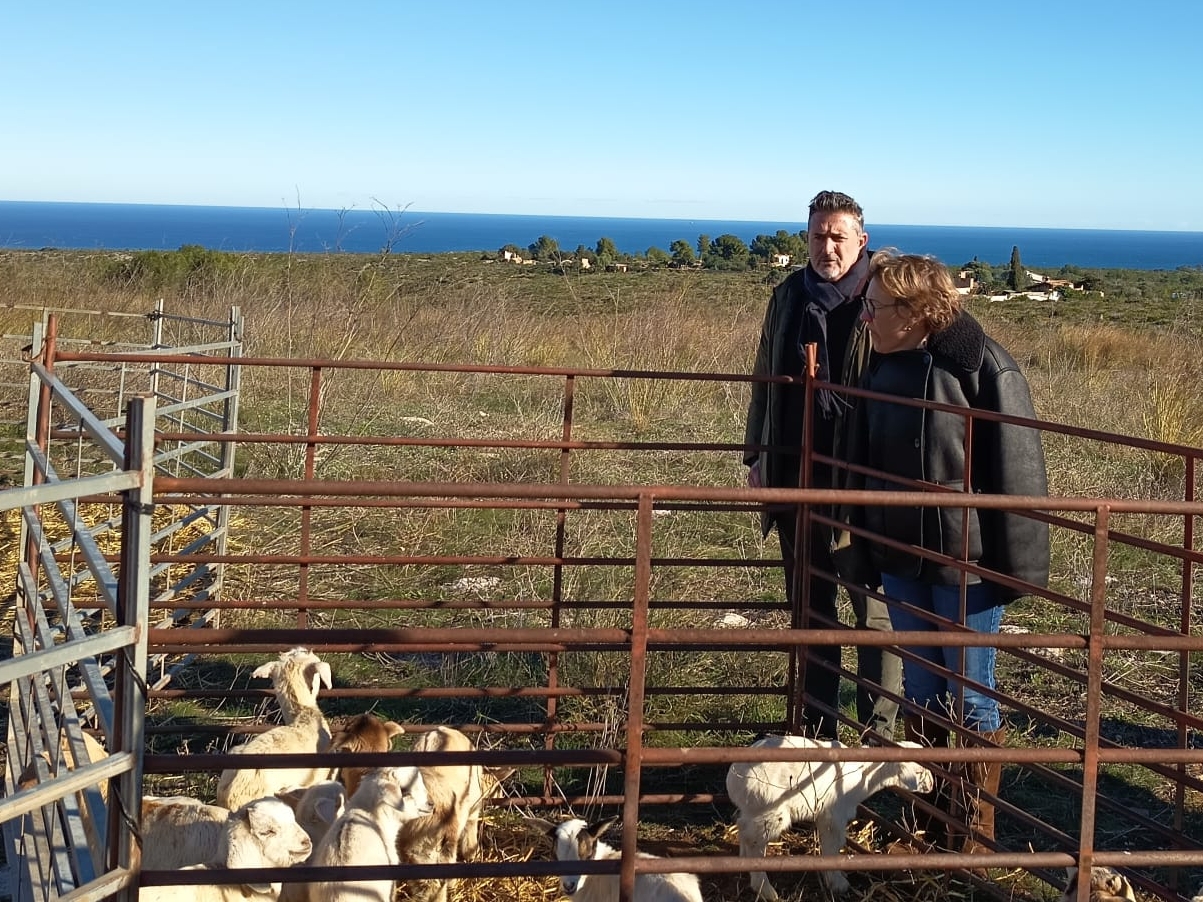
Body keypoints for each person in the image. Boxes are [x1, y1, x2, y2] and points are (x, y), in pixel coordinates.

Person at [840, 249, 1050, 856]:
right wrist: (863, 545)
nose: (865, 319)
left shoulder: (983, 367)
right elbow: (858, 466)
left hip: (969, 562)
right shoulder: (879, 368)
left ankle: (971, 833)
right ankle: (931, 818)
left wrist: (1020, 567)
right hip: (901, 554)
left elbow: (1018, 469)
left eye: (874, 308)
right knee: (924, 685)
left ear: (913, 311)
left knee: (970, 690)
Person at [744, 190, 902, 742]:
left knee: (873, 613)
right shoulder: (788, 295)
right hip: (794, 475)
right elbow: (766, 374)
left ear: (861, 239)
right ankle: (816, 733)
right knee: (811, 610)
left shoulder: (884, 295)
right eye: (817, 235)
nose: (826, 246)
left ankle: (878, 739)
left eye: (838, 235)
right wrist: (755, 453)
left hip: (860, 480)